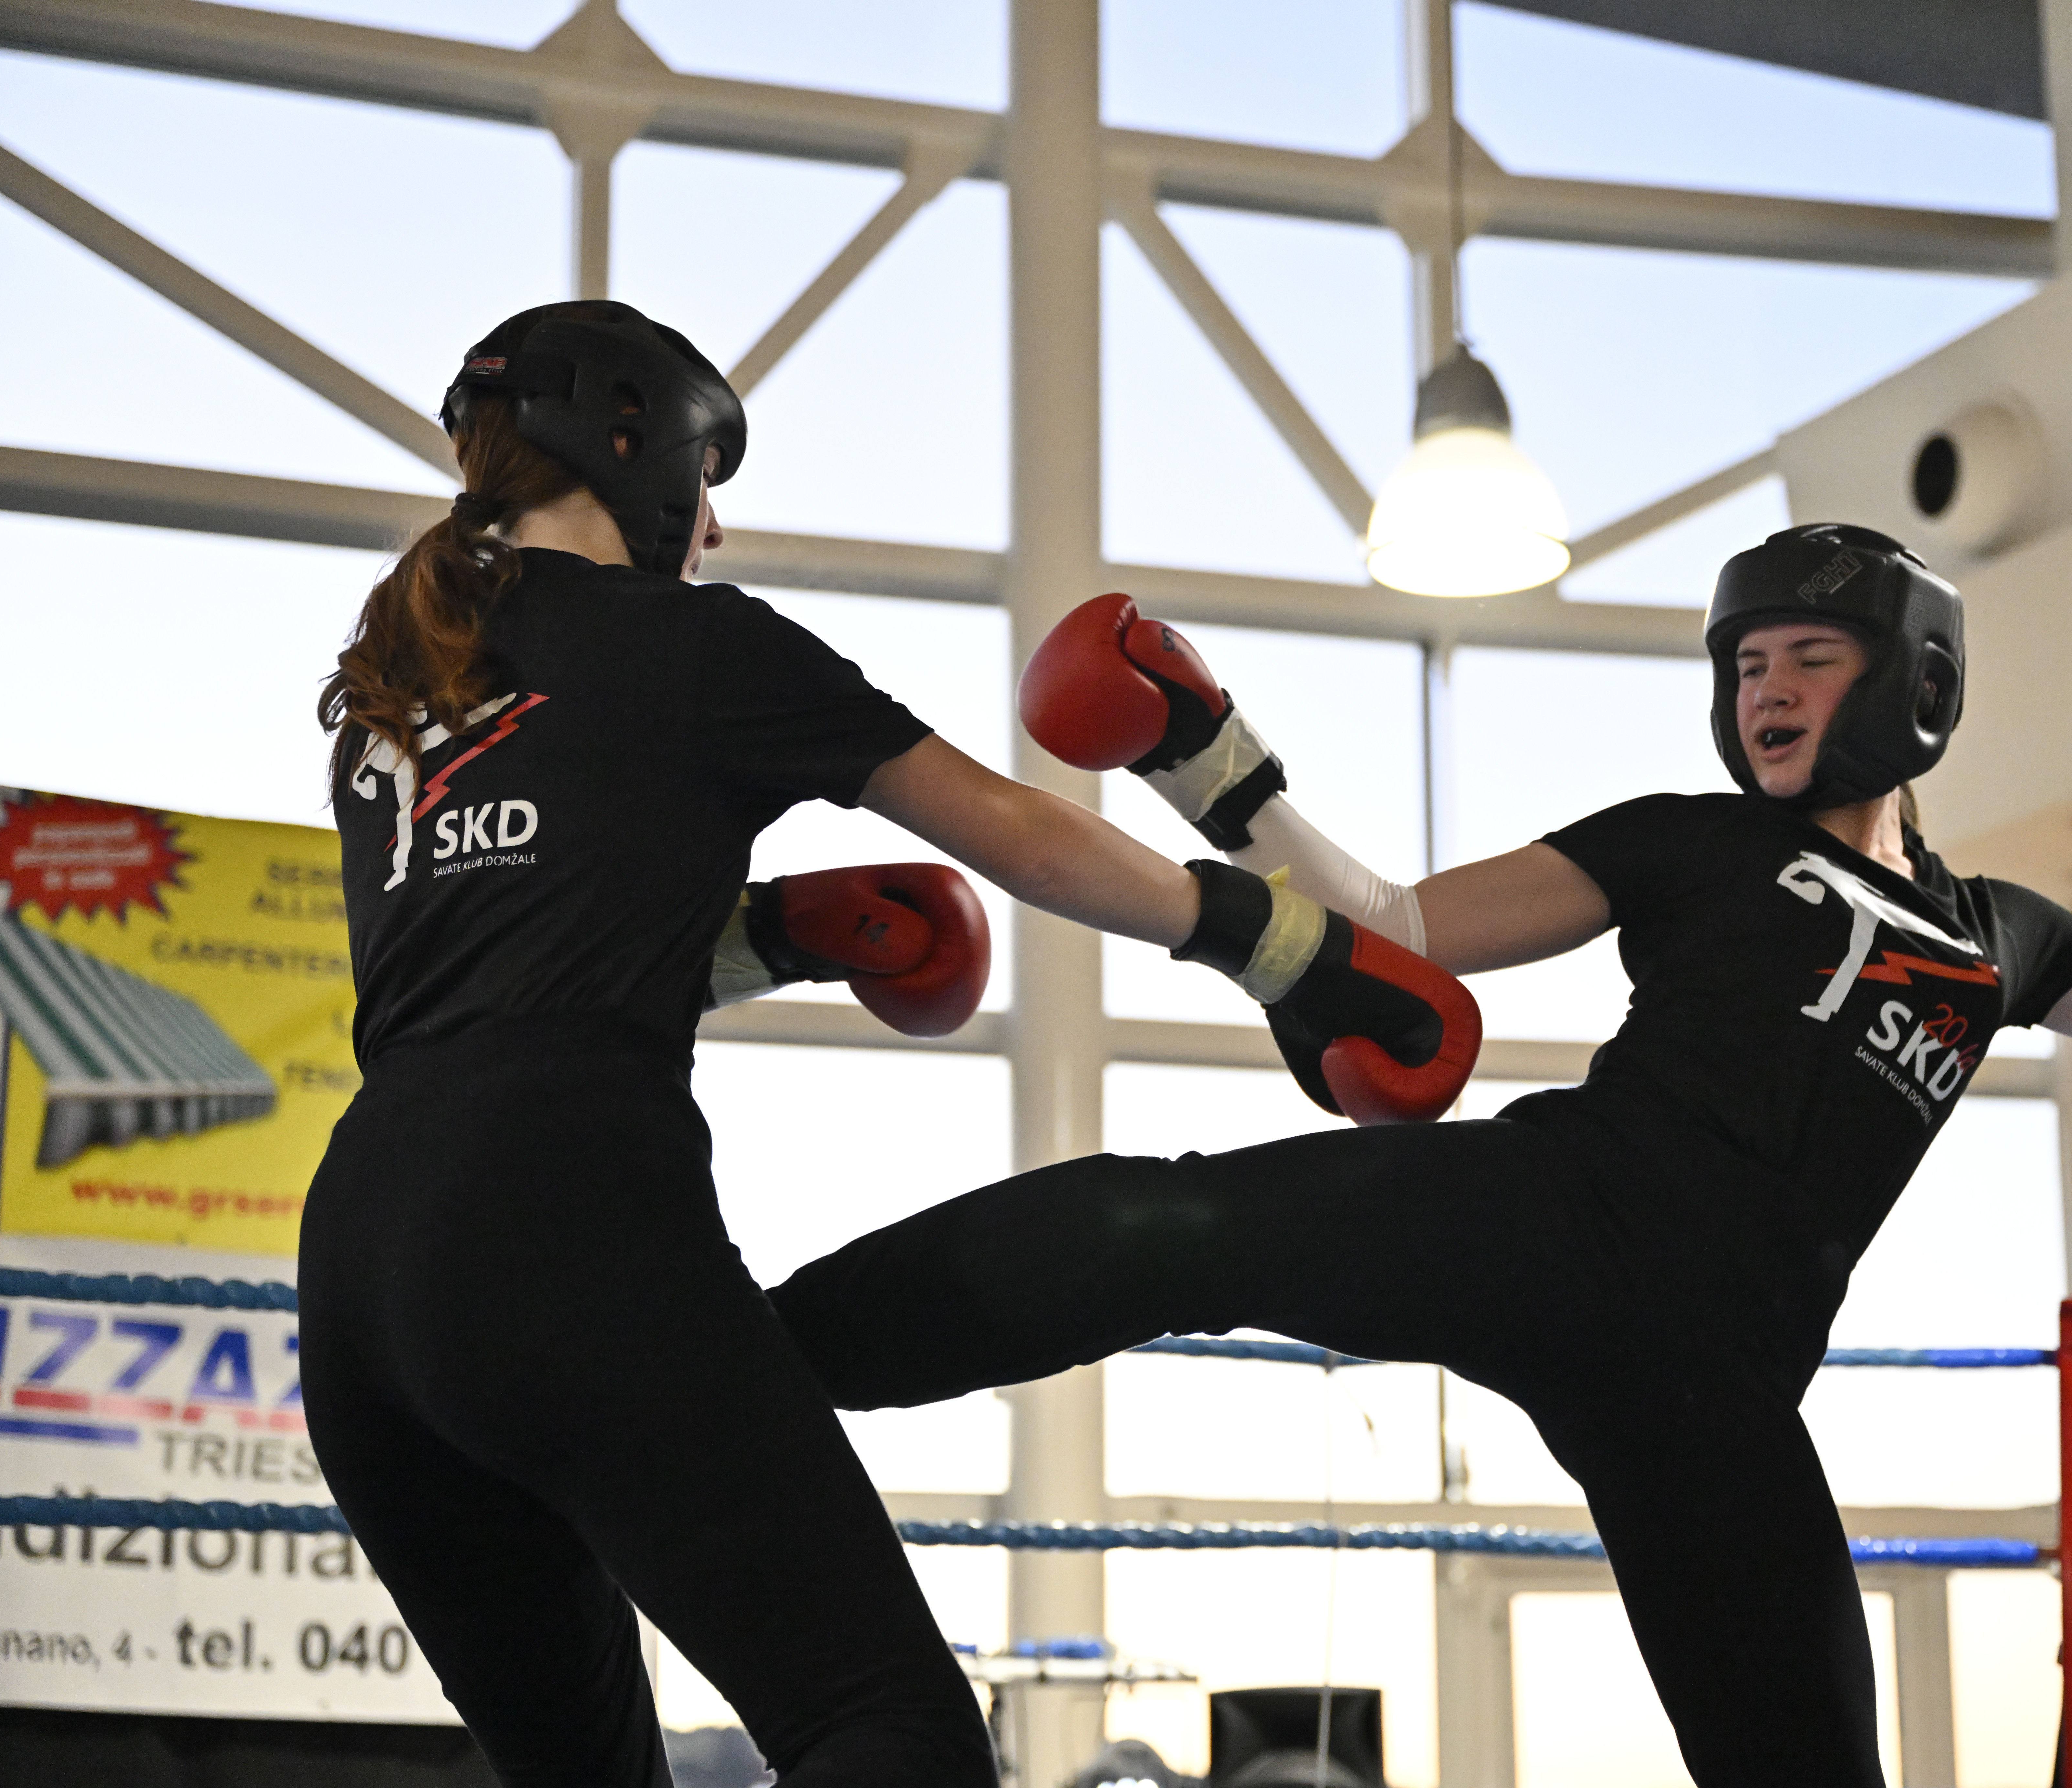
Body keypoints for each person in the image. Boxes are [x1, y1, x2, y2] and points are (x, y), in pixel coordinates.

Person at [765, 526, 2072, 1785]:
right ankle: (760, 1358)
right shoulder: (1689, 838)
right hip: (1552, 1212)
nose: (1768, 689)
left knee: (1802, 1757)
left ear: (1911, 681)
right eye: (1747, 663)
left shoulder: (2006, 936)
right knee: (1179, 1222)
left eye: (1810, 655)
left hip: (1715, 1385)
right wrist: (1205, 753)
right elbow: (1397, 927)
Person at [302, 300, 1475, 1787]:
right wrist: (1288, 952)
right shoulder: (699, 645)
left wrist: (790, 933)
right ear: (631, 440)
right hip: (567, 1221)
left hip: (360, 1289)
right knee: (891, 1732)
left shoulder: (396, 702)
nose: (712, 527)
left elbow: (530, 961)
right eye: (704, 479)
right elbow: (1022, 835)